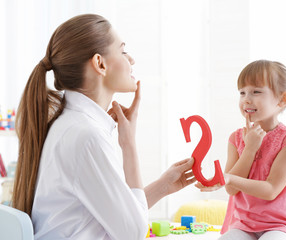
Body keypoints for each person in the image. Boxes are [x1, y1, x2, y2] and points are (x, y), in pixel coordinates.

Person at [12, 14, 196, 240]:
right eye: (123, 50)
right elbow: (134, 233)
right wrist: (129, 145)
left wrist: (163, 186)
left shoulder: (72, 125)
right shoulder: (85, 135)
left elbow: (115, 217)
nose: (132, 60)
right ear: (100, 63)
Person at [196, 60, 286, 240]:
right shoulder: (236, 138)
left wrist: (229, 178)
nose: (246, 99)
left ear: (283, 99)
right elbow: (231, 190)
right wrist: (249, 149)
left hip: (280, 225)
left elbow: (271, 189)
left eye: (256, 92)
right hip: (243, 224)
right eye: (242, 93)